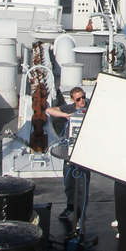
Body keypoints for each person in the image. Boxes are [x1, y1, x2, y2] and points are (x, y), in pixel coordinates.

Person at [45, 85, 90, 221]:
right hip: (70, 151)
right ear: (72, 100)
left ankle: (81, 213)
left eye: (83, 97)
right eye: (78, 99)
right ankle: (70, 206)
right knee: (69, 182)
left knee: (83, 184)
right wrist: (66, 115)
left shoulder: (90, 107)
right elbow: (49, 110)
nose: (82, 101)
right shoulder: (69, 108)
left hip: (84, 152)